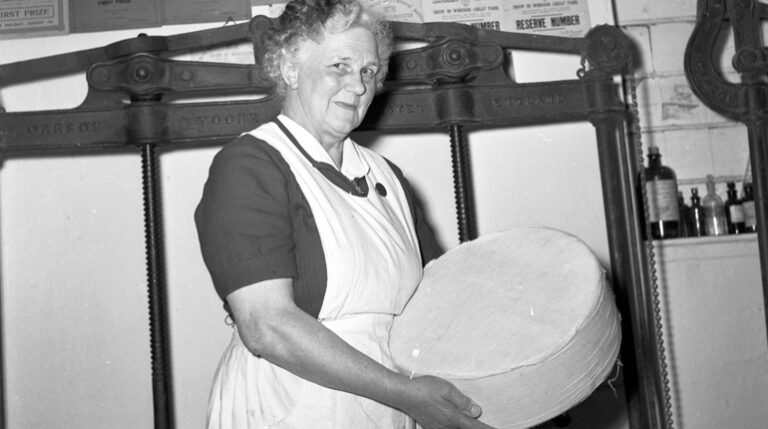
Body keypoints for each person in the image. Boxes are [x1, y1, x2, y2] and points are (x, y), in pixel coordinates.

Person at [195, 1, 493, 427]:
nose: (357, 86)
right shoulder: (252, 164)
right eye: (340, 65)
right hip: (289, 406)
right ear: (291, 69)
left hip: (387, 408)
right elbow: (267, 326)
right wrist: (407, 395)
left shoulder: (386, 177)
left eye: (369, 72)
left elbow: (436, 306)